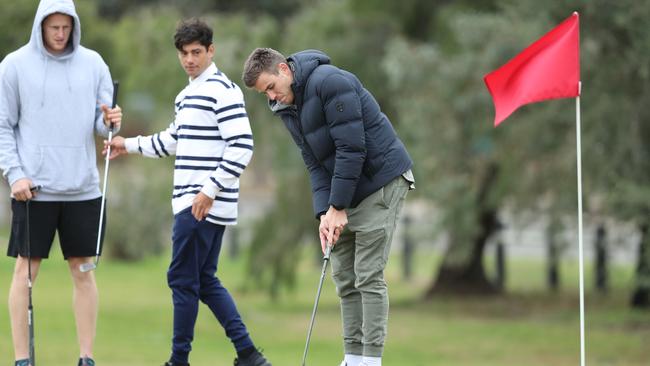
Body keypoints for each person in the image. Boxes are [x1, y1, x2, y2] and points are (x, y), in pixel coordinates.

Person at [104, 19, 270, 366]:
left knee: (181, 279)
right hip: (198, 203)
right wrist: (128, 144)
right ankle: (249, 354)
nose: (190, 59)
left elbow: (242, 145)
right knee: (203, 280)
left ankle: (179, 360)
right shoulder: (188, 94)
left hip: (199, 203)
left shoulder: (222, 90)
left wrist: (208, 191)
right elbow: (172, 140)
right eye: (184, 53)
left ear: (211, 51)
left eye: (197, 52)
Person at [243, 48, 415, 366]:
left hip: (381, 181)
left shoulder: (330, 82)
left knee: (367, 275)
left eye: (270, 87)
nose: (272, 97)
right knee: (344, 277)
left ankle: (371, 360)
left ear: (283, 69)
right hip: (347, 190)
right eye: (263, 93)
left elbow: (351, 148)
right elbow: (314, 163)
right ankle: (352, 357)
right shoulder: (286, 108)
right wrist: (324, 212)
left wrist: (337, 205)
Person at [0, 0, 122, 365]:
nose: (59, 33)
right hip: (32, 188)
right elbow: (3, 125)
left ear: (74, 26)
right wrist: (14, 174)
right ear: (40, 25)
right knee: (26, 271)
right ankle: (23, 359)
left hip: (83, 187)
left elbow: (103, 125)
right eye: (53, 27)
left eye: (65, 27)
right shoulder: (14, 66)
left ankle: (86, 357)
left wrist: (111, 120)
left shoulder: (94, 63)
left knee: (83, 271)